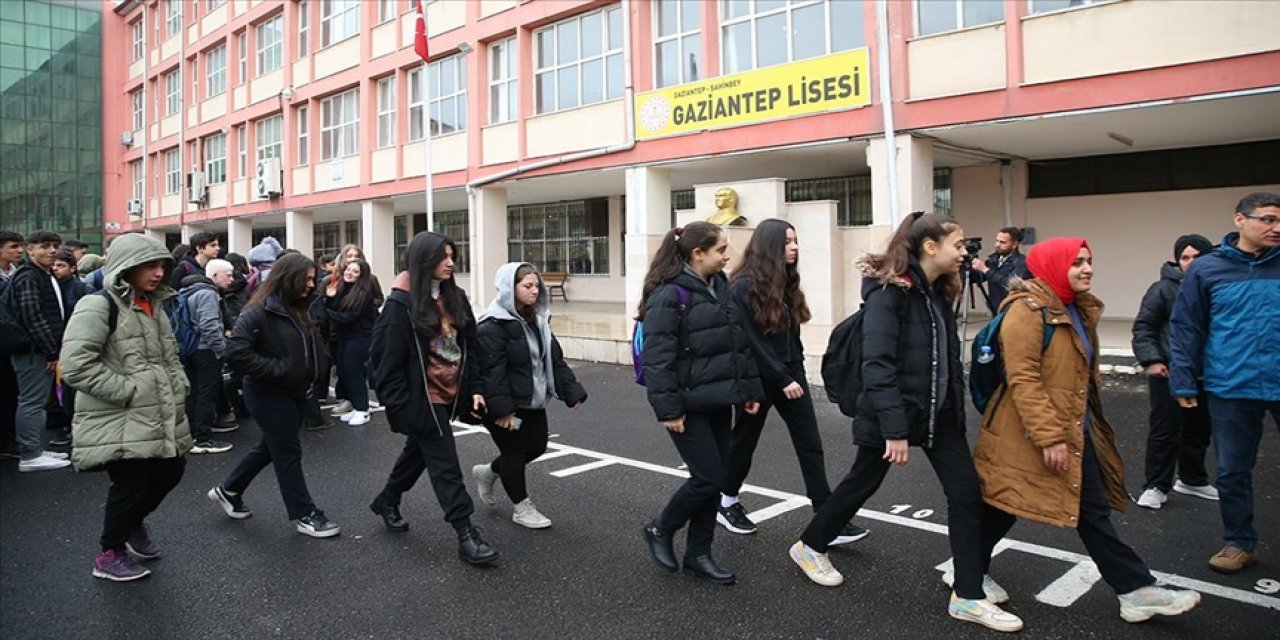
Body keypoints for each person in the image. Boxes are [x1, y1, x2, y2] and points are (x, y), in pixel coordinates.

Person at [785, 213, 1020, 631]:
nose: (965, 252)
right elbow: (878, 365)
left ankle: (967, 595)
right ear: (930, 247)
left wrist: (955, 407)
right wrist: (894, 429)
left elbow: (944, 361)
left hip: (939, 417)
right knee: (864, 480)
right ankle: (810, 546)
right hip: (894, 412)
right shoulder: (888, 294)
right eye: (959, 244)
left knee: (965, 495)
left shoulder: (938, 292)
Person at [974, 236, 1201, 625]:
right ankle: (968, 569)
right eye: (1076, 261)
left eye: (1089, 260)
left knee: (1085, 510)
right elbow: (1023, 379)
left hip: (1074, 433)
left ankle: (1134, 591)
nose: (1087, 268)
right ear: (1051, 265)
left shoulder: (1077, 308)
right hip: (1032, 433)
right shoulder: (1028, 311)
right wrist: (1050, 437)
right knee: (1005, 505)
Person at [716, 218, 868, 545]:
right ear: (770, 246)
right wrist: (782, 377)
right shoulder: (741, 286)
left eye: (795, 240)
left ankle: (826, 516)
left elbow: (789, 335)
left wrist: (794, 368)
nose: (795, 247)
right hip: (759, 378)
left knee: (810, 443)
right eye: (787, 242)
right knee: (743, 442)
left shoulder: (784, 281)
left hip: (789, 373)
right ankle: (726, 501)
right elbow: (751, 341)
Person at [60, 232, 192, 581]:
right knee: (131, 485)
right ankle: (109, 552)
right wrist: (126, 391)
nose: (158, 272)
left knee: (171, 471)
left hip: (159, 411)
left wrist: (180, 383)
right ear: (125, 266)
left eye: (162, 265)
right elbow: (75, 364)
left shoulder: (155, 305)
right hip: (120, 414)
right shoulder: (97, 304)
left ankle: (131, 525)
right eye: (149, 265)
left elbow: (170, 355)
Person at [639, 221, 763, 586]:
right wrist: (669, 409)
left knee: (715, 478)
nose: (728, 256)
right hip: (687, 405)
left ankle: (699, 555)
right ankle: (661, 529)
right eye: (721, 249)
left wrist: (749, 391)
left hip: (720, 399)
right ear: (698, 253)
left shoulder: (720, 287)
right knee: (708, 478)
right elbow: (657, 359)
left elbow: (738, 344)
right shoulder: (669, 295)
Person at [367, 231, 498, 565]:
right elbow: (383, 361)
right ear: (423, 260)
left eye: (452, 256)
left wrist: (477, 387)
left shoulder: (456, 297)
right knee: (446, 463)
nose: (450, 263)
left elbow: (473, 347)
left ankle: (387, 498)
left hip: (451, 393)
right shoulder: (400, 305)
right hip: (422, 398)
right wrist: (402, 403)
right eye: (443, 257)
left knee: (421, 453)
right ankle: (465, 532)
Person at [1170, 191, 1280, 574]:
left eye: (1279, 221)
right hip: (1231, 385)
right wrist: (1183, 380)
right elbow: (1186, 327)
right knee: (1233, 469)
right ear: (1240, 220)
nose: (1276, 228)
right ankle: (1239, 543)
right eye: (1267, 219)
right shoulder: (1207, 269)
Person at [208, 253, 340, 539]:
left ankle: (229, 490)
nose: (311, 284)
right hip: (268, 393)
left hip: (294, 391)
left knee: (272, 445)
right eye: (305, 279)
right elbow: (237, 352)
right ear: (287, 278)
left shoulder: (300, 307)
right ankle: (305, 514)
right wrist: (280, 369)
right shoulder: (259, 311)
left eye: (312, 278)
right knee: (288, 451)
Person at [473, 262, 588, 529]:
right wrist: (503, 410)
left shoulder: (538, 321)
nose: (534, 290)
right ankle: (522, 508)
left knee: (536, 447)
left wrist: (571, 390)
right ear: (508, 289)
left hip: (532, 401)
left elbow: (554, 359)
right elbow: (492, 372)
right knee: (514, 451)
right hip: (506, 406)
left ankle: (488, 472)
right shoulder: (492, 325)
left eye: (536, 285)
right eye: (527, 286)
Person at [1131, 234, 1217, 509]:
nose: (1191, 262)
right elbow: (1144, 327)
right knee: (1165, 430)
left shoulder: (1218, 285)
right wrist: (1152, 361)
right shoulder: (1162, 289)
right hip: (1168, 372)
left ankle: (1192, 479)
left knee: (1199, 430)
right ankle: (1156, 485)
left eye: (1197, 256)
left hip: (1206, 374)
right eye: (1185, 257)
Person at [8, 230, 71, 471]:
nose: (52, 250)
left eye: (55, 246)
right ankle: (30, 454)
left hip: (40, 350)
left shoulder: (42, 274)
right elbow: (32, 316)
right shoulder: (28, 276)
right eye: (45, 246)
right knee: (32, 401)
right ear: (30, 249)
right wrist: (51, 351)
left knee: (37, 401)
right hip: (34, 351)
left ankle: (35, 449)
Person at [179, 261, 237, 454]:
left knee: (194, 392)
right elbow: (209, 325)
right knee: (206, 393)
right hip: (206, 350)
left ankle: (194, 432)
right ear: (214, 276)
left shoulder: (187, 291)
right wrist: (222, 349)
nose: (231, 279)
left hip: (189, 348)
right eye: (227, 275)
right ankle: (202, 438)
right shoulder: (208, 294)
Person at [323, 259, 379, 426]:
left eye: (355, 271)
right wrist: (330, 298)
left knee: (354, 372)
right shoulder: (341, 288)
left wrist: (327, 312)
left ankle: (362, 409)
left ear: (362, 276)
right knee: (344, 371)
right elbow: (336, 310)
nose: (350, 273)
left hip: (361, 337)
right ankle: (356, 407)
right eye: (349, 269)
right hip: (345, 337)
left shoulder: (364, 293)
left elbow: (349, 317)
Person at [46, 248, 88, 447]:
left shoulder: (80, 289)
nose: (55, 269)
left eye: (61, 265)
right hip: (55, 345)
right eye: (54, 265)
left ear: (73, 268)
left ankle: (71, 426)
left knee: (70, 388)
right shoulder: (48, 286)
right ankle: (60, 423)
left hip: (72, 344)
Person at [970, 226, 1031, 314]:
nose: (997, 245)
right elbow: (980, 277)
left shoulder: (1022, 263)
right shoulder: (993, 260)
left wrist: (985, 269)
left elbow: (1010, 284)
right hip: (995, 307)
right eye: (997, 241)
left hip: (1013, 308)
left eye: (1002, 242)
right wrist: (967, 268)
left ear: (1014, 244)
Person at [0, 229, 23, 459]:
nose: (19, 251)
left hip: (13, 343)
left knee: (10, 392)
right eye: (13, 247)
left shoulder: (18, 274)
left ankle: (8, 439)